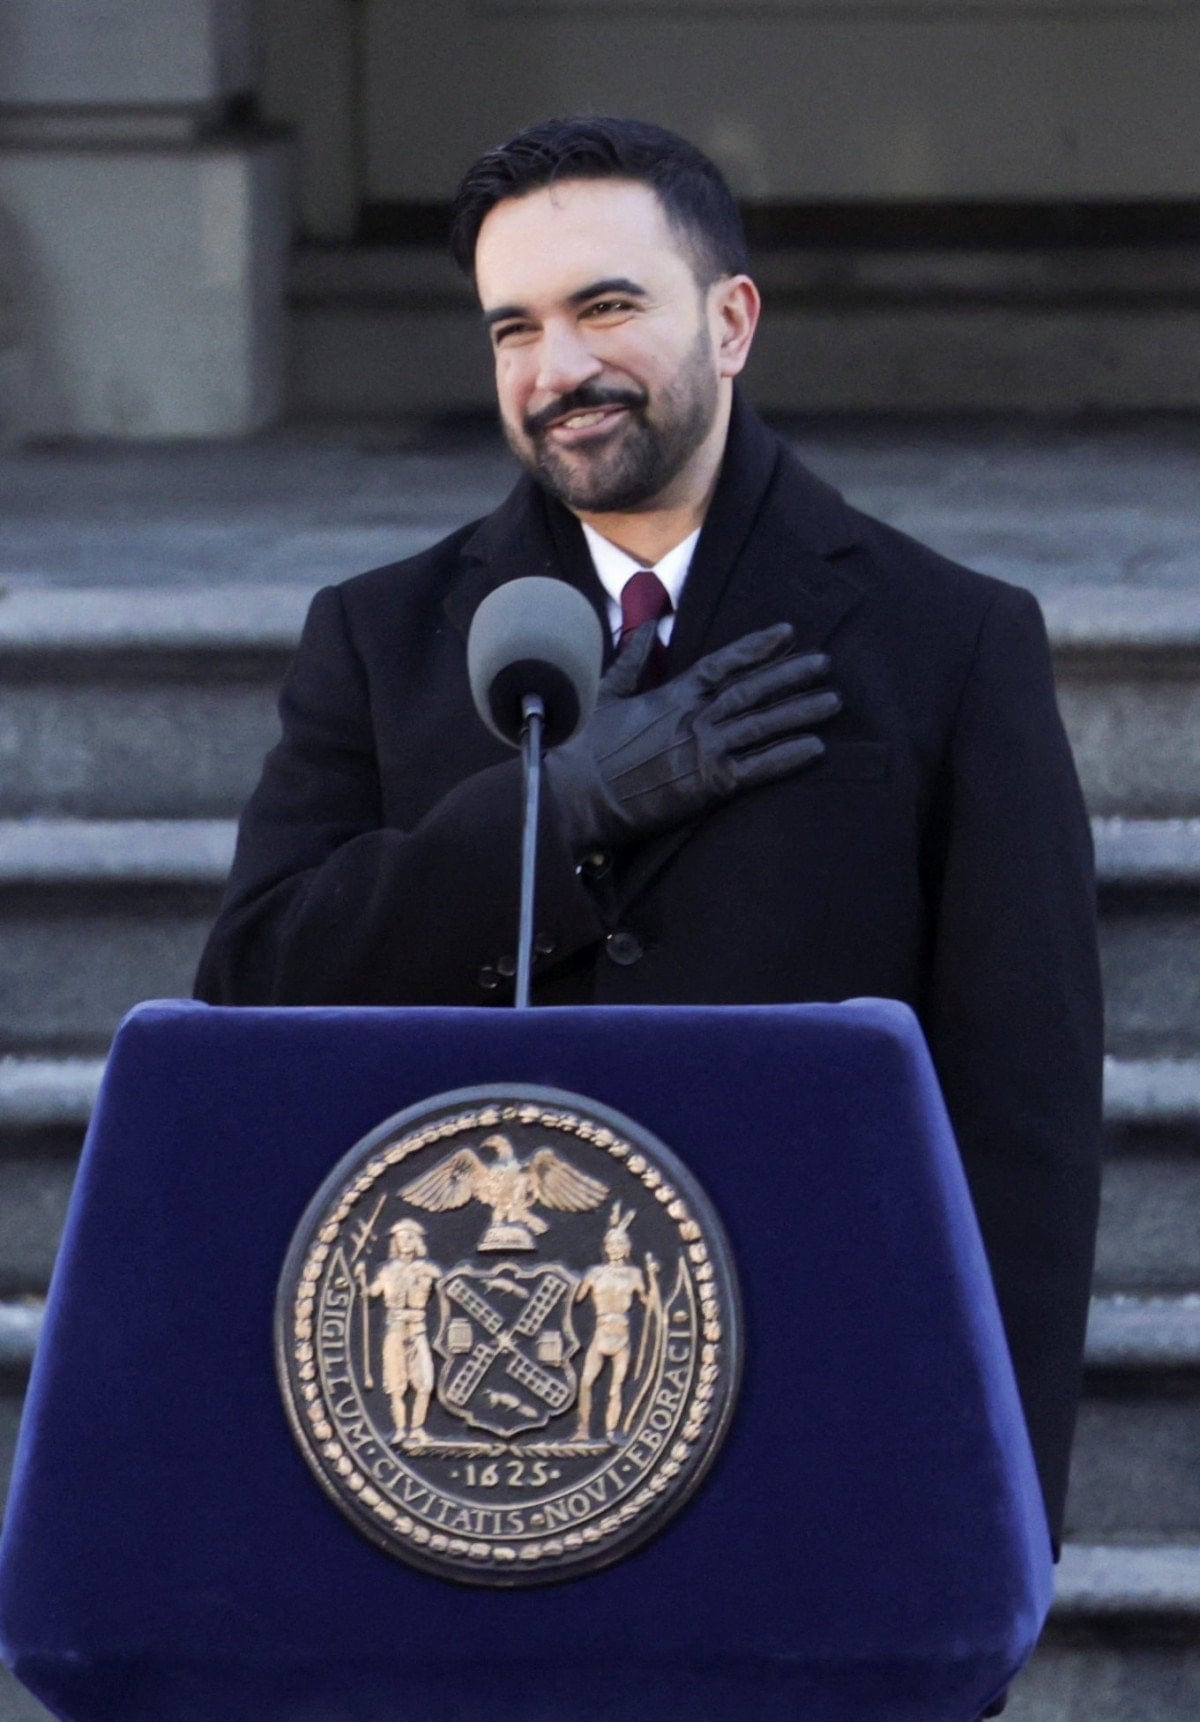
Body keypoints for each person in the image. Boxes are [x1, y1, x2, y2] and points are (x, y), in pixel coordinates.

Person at [195, 119, 1102, 1600]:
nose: (558, 368)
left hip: (817, 1431)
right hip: (474, 1470)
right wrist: (556, 811)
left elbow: (1025, 1119)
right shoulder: (376, 635)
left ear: (730, 321)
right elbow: (254, 983)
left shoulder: (952, 641)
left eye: (606, 306)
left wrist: (992, 1519)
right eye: (515, 327)